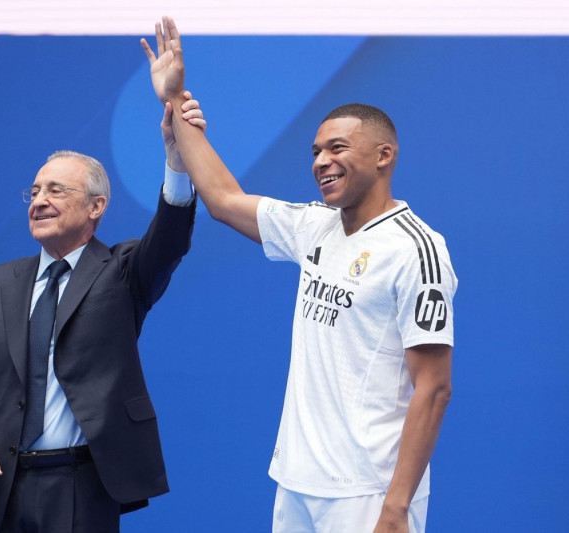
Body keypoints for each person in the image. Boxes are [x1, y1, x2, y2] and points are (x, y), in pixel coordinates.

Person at [141, 18, 457, 533]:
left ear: (384, 155)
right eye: (316, 152)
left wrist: (396, 507)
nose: (321, 161)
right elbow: (223, 200)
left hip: (367, 492)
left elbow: (434, 388)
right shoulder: (315, 226)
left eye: (337, 148)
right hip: (296, 482)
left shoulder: (417, 249)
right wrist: (175, 104)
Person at [0, 95, 206, 532]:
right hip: (0, 487)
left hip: (82, 486)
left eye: (56, 191)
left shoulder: (123, 272)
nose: (38, 200)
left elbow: (171, 237)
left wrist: (177, 159)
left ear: (96, 207)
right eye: (34, 191)